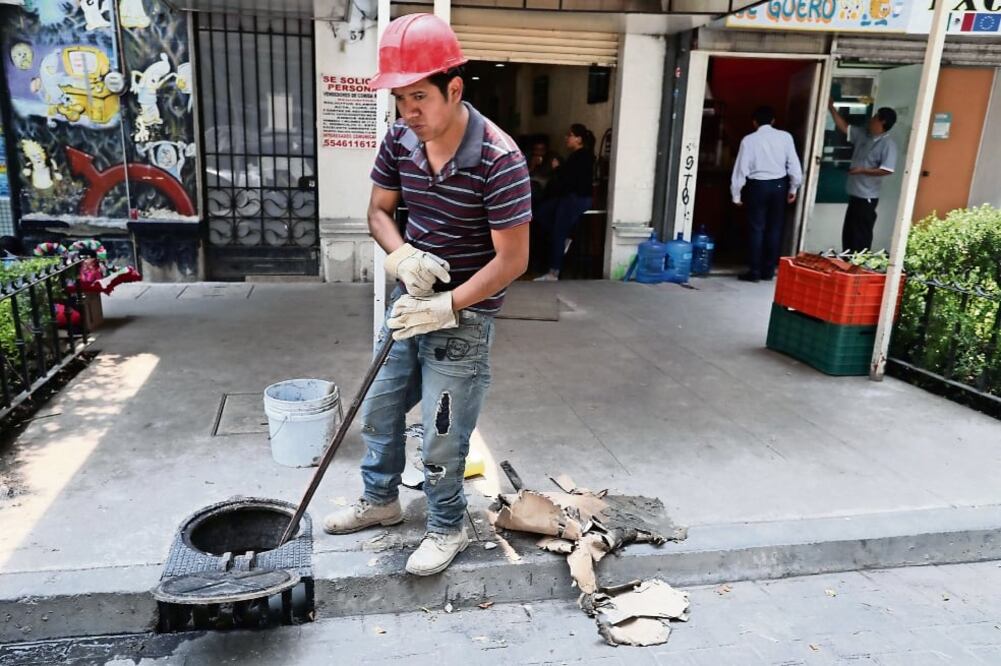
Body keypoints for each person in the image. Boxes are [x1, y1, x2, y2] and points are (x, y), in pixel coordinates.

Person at [323, 14, 531, 577]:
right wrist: (401, 256)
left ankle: (447, 525)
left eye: (419, 97)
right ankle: (381, 501)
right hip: (408, 304)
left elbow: (514, 260)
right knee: (381, 408)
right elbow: (378, 211)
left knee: (442, 436)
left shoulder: (498, 159)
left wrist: (450, 303)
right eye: (399, 98)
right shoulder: (400, 139)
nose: (407, 112)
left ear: (454, 89)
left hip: (465, 318)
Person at [730, 106, 803, 282]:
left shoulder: (749, 140)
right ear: (773, 121)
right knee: (775, 229)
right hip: (779, 186)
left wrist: (736, 194)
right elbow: (794, 164)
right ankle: (768, 271)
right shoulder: (785, 137)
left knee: (756, 229)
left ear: (754, 122)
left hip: (757, 187)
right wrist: (794, 187)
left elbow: (741, 168)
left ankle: (754, 271)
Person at [828, 101, 898, 252]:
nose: (870, 120)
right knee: (849, 233)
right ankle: (847, 261)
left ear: (882, 122)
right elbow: (844, 127)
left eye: (874, 117)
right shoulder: (864, 135)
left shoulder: (887, 144)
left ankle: (859, 264)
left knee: (861, 235)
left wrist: (862, 170)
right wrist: (831, 107)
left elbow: (887, 169)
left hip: (867, 197)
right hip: (855, 194)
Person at [533, 123, 595, 281]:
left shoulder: (583, 156)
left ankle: (554, 272)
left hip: (576, 198)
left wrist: (557, 168)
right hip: (569, 197)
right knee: (542, 214)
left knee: (558, 232)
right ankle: (565, 238)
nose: (566, 138)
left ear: (579, 139)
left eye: (570, 135)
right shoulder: (576, 156)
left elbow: (569, 179)